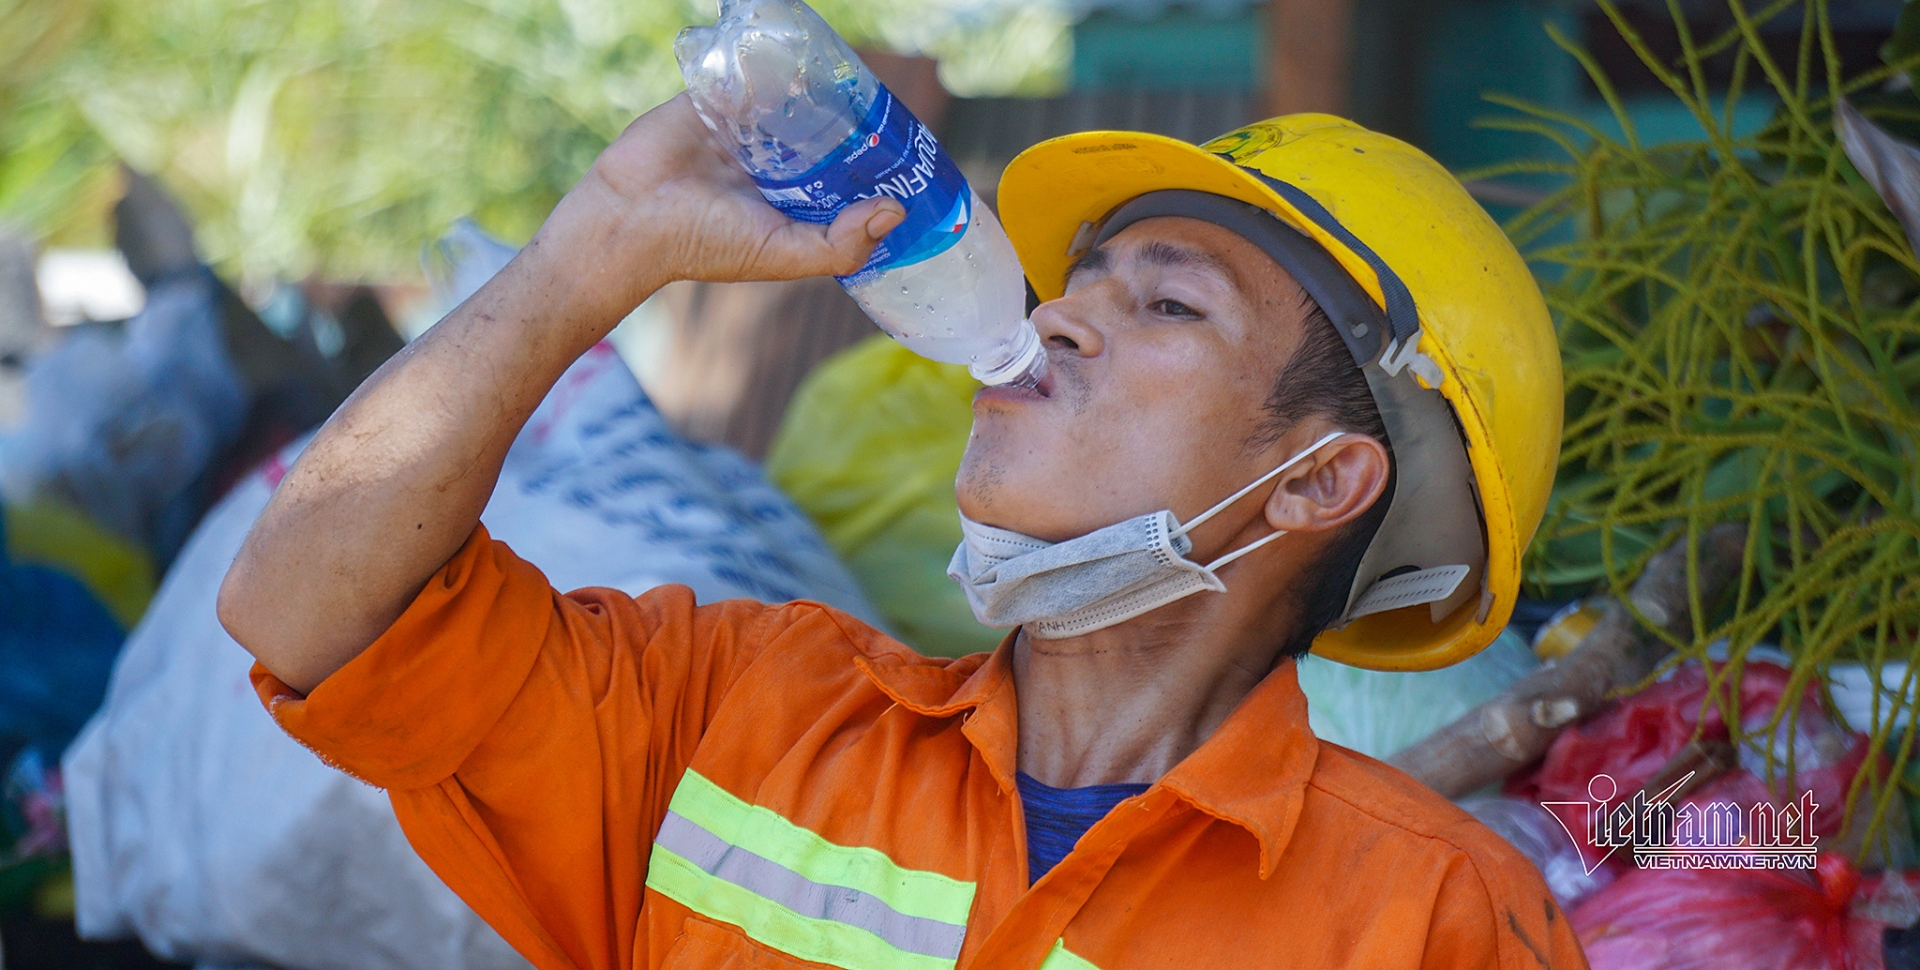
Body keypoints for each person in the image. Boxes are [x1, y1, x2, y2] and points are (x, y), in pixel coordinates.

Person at [219, 95, 1586, 970]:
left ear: (1315, 487)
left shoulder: (1435, 924)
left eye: (1167, 306)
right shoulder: (739, 713)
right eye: (1078, 280)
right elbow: (306, 608)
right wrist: (601, 248)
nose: (1054, 317)